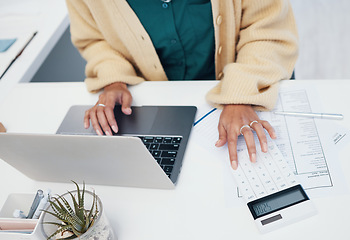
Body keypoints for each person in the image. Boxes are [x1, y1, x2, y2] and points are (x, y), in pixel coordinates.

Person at [65, 0, 298, 170]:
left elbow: (267, 29)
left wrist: (241, 93)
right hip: (161, 104)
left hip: (250, 81)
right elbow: (95, 39)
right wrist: (114, 78)